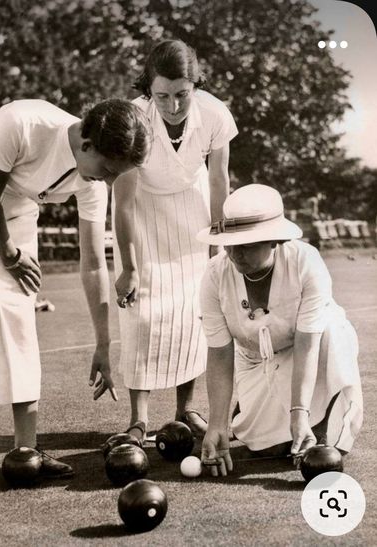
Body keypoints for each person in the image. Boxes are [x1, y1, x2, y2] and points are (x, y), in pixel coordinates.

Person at [0, 98, 150, 486]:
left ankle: (26, 449)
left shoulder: (93, 183)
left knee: (20, 320)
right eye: (106, 170)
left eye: (115, 175)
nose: (107, 181)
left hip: (16, 212)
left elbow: (92, 263)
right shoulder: (23, 122)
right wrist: (9, 254)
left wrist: (103, 344)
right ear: (87, 143)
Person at [113, 40, 238, 442]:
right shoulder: (134, 117)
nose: (172, 106)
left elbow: (219, 179)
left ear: (196, 86)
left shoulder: (216, 114)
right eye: (162, 95)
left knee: (193, 312)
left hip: (194, 211)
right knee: (142, 315)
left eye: (182, 95)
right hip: (144, 212)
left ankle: (185, 410)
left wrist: (220, 244)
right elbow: (124, 201)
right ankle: (138, 420)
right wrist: (130, 268)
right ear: (149, 89)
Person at [197, 184, 363, 476]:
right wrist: (217, 425)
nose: (235, 254)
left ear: (275, 240)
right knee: (266, 449)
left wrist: (300, 414)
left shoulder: (305, 262)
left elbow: (307, 344)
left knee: (334, 330)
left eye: (246, 244)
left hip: (314, 349)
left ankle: (322, 428)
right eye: (229, 243)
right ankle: (248, 412)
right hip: (256, 360)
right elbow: (220, 355)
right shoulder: (214, 275)